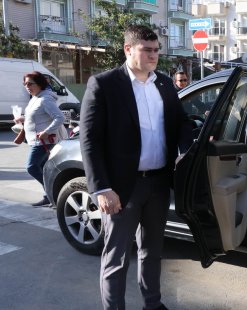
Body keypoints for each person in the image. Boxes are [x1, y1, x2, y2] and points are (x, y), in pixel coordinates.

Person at [79, 25, 191, 310]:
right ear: (128, 49)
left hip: (157, 184)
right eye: (147, 50)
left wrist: (185, 150)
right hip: (121, 188)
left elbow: (181, 123)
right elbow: (89, 140)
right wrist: (102, 188)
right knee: (116, 257)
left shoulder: (164, 84)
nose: (154, 56)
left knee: (152, 252)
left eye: (156, 50)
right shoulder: (104, 84)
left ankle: (152, 305)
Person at [13, 71, 65, 206]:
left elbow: (60, 117)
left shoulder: (45, 99)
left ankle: (53, 193)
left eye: (30, 83)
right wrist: (22, 118)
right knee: (43, 169)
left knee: (31, 167)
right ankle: (50, 196)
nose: (27, 86)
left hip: (43, 141)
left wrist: (47, 132)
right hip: (35, 140)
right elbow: (38, 116)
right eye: (25, 84)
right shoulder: (35, 98)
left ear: (40, 84)